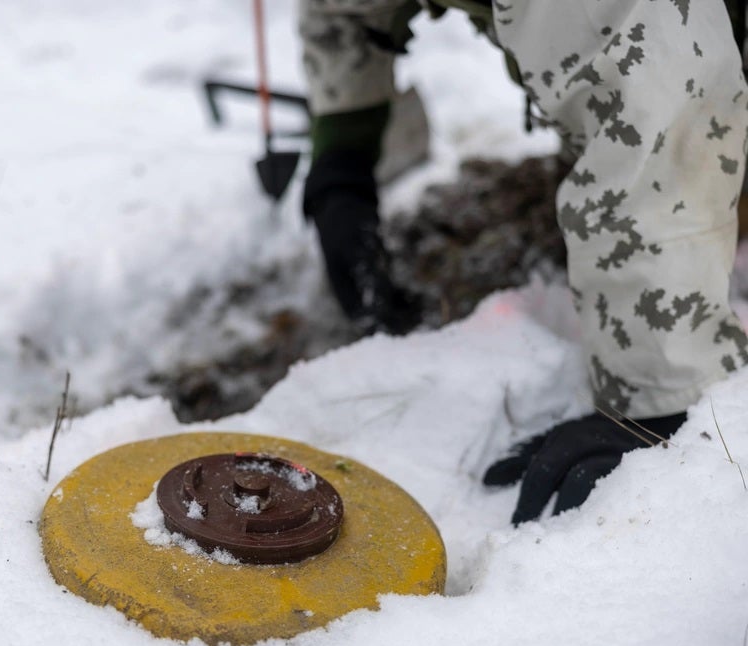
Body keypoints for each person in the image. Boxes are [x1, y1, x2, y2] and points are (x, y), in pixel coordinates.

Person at [298, 0, 748, 523]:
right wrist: (342, 158)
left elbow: (663, 90)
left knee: (680, 152)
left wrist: (664, 396)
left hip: (670, 53)